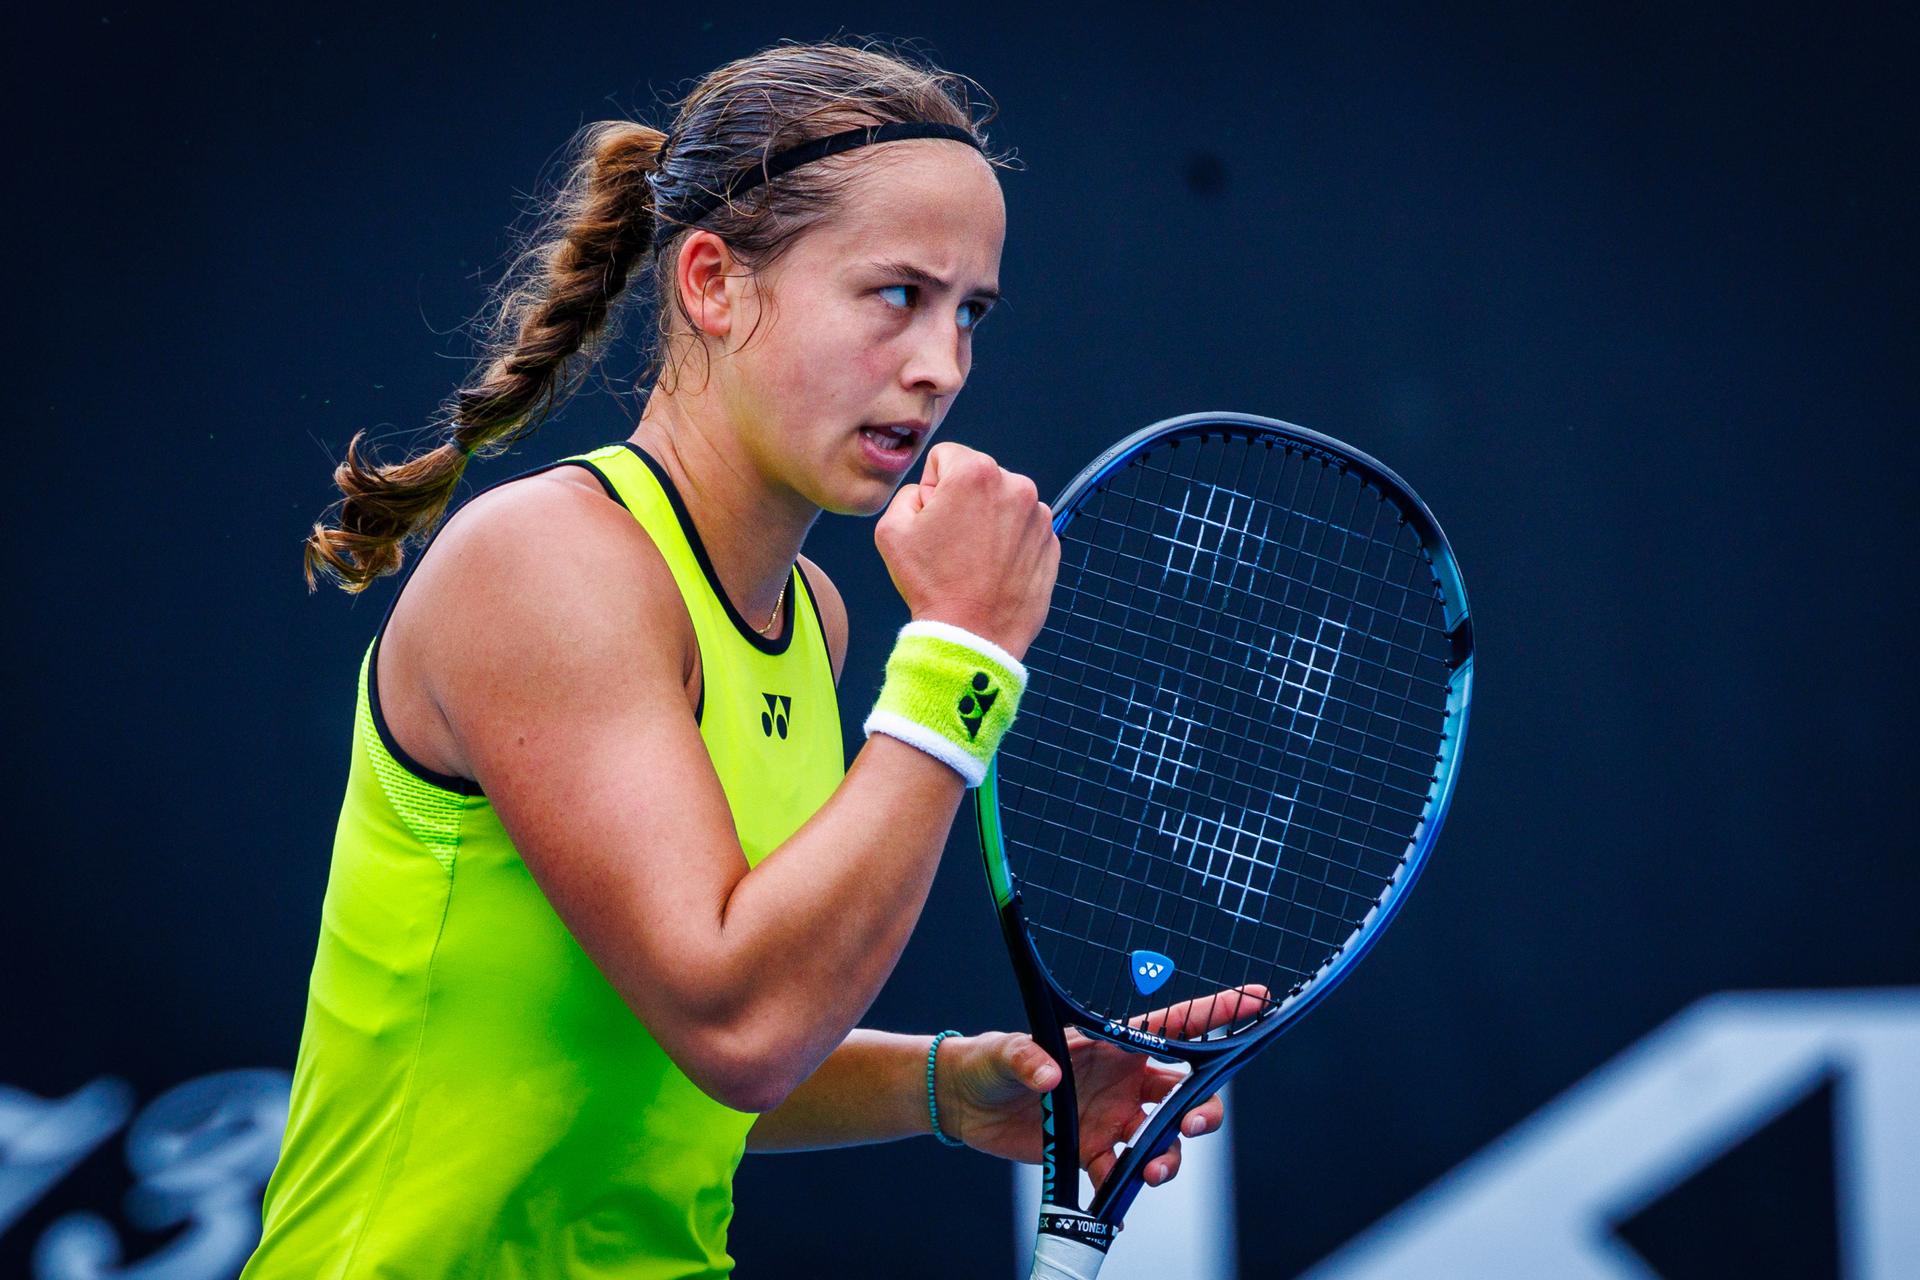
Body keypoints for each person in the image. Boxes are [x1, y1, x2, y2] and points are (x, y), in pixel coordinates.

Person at [245, 38, 1237, 1278]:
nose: (941, 365)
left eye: (969, 311)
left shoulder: (810, 615)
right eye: (896, 294)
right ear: (712, 282)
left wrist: (949, 1084)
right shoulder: (548, 561)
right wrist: (962, 655)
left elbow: (662, 1052)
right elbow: (739, 1022)